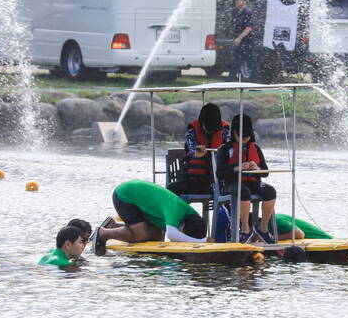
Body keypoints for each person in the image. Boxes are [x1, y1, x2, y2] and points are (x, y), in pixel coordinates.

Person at [91, 180, 208, 255]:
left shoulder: (192, 216)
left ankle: (113, 226)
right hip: (125, 195)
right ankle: (103, 233)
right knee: (141, 234)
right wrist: (200, 242)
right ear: (183, 226)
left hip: (144, 204)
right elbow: (172, 234)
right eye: (183, 233)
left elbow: (168, 233)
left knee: (156, 238)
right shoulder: (176, 210)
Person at [216, 114, 277, 243]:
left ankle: (263, 228)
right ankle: (245, 229)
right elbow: (220, 173)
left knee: (270, 191)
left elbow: (265, 172)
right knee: (244, 191)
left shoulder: (255, 148)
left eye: (247, 136)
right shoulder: (225, 149)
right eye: (241, 136)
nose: (244, 139)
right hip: (232, 184)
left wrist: (257, 168)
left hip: (253, 183)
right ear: (234, 133)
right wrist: (237, 168)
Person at [167, 103, 230, 196]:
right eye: (209, 127)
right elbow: (191, 148)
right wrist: (195, 153)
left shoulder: (224, 130)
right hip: (195, 182)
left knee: (232, 191)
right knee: (171, 189)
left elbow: (231, 149)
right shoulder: (192, 130)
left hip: (220, 182)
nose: (211, 130)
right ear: (202, 121)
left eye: (214, 128)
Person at [227, 0, 255, 82]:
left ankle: (256, 82)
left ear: (244, 1)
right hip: (241, 41)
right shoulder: (237, 12)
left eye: (238, 0)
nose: (236, 2)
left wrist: (239, 38)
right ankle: (230, 81)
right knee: (237, 61)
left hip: (247, 41)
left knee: (250, 63)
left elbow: (249, 28)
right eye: (236, 0)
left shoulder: (248, 12)